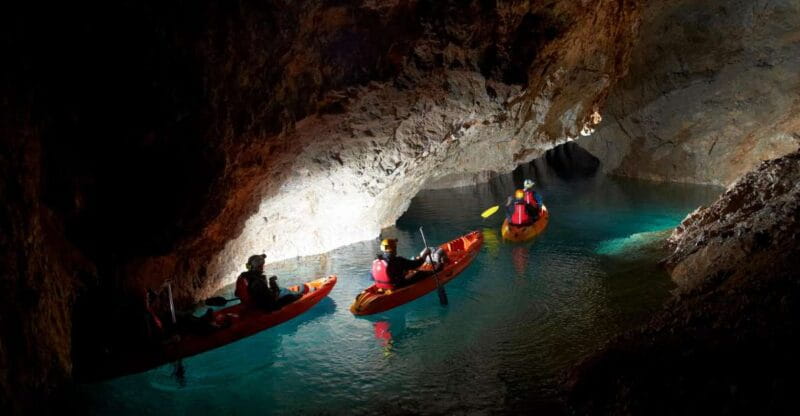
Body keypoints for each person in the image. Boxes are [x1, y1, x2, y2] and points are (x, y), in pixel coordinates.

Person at [235, 254, 301, 310]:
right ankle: (299, 295)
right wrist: (273, 283)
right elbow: (272, 299)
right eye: (262, 265)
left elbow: (237, 294)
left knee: (281, 290)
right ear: (259, 267)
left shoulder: (243, 276)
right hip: (265, 307)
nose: (263, 267)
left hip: (250, 304)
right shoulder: (257, 281)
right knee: (291, 297)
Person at [371, 238, 440, 290]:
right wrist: (424, 255)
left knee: (405, 271)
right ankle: (437, 271)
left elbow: (372, 277)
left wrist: (401, 273)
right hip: (396, 286)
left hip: (381, 286)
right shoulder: (398, 260)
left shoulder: (376, 260)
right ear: (394, 248)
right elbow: (416, 264)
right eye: (395, 246)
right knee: (419, 274)